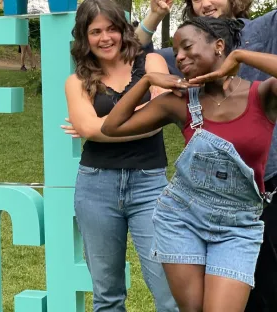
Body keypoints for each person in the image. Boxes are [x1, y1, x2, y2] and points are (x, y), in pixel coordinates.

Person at [102, 16, 276, 311]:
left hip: (238, 226)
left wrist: (241, 56)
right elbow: (113, 127)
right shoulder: (179, 102)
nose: (179, 57)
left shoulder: (262, 95)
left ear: (219, 46)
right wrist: (146, 80)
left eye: (186, 47)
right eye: (175, 51)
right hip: (182, 219)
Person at [137, 0, 277, 311]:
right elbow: (138, 51)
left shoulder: (263, 30)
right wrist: (154, 17)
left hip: (269, 181)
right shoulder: (191, 46)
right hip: (212, 202)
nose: (206, 2)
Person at [63, 0, 178, 311]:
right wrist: (141, 115)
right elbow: (89, 130)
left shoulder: (151, 63)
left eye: (112, 28)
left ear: (123, 30)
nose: (105, 38)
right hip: (95, 187)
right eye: (95, 31)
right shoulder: (77, 82)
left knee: (169, 292)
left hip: (150, 184)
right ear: (84, 38)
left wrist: (100, 125)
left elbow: (161, 116)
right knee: (107, 295)